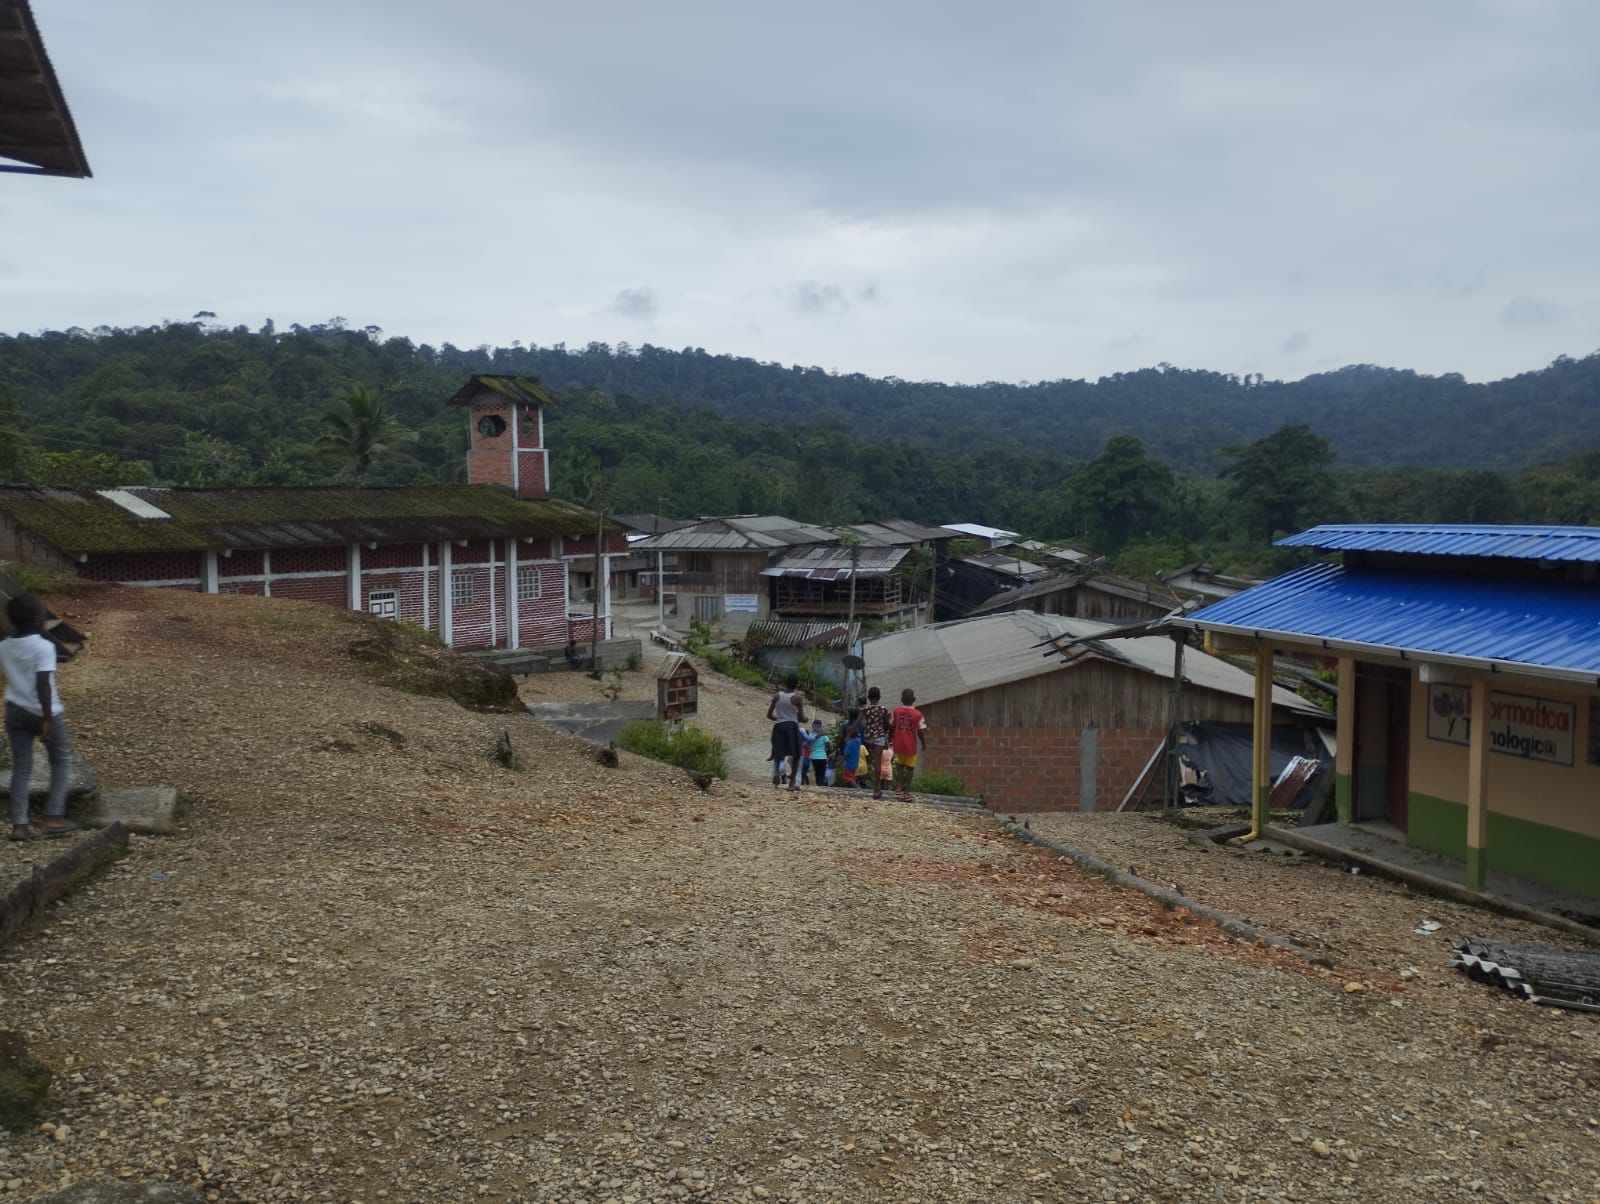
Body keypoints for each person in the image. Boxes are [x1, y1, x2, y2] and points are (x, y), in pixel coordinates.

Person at [3, 595, 78, 842]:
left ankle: (19, 825)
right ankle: (53, 817)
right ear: (38, 618)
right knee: (60, 760)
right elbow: (43, 683)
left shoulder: (4, 645)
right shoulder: (43, 647)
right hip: (44, 711)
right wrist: (47, 718)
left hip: (14, 709)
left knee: (21, 767)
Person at [765, 673, 807, 791]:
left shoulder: (777, 696)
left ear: (785, 683)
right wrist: (805, 719)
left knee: (779, 752)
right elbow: (801, 718)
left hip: (778, 727)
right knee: (797, 754)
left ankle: (776, 773)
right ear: (796, 684)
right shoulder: (797, 698)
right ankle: (792, 782)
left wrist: (779, 719)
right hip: (791, 726)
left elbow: (769, 715)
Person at [890, 687, 928, 802]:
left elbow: (892, 726)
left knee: (900, 766)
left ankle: (899, 788)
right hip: (910, 746)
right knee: (910, 768)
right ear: (914, 699)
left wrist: (889, 739)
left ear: (901, 699)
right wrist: (923, 743)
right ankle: (906, 792)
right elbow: (920, 731)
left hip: (898, 744)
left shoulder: (896, 711)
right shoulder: (918, 714)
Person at [859, 686, 892, 800]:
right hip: (879, 738)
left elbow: (858, 722)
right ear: (879, 697)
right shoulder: (883, 709)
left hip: (868, 738)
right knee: (878, 764)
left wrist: (848, 734)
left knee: (874, 763)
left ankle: (874, 787)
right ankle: (876, 791)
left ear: (869, 697)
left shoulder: (865, 709)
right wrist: (887, 732)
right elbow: (887, 725)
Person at [840, 718, 862, 790]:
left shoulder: (849, 743)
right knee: (852, 776)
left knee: (848, 777)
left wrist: (841, 761)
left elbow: (846, 753)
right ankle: (855, 787)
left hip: (849, 762)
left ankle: (858, 788)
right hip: (855, 762)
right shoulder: (858, 741)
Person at [808, 719, 831, 787]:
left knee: (817, 772)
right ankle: (821, 785)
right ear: (820, 726)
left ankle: (818, 785)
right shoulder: (824, 736)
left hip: (813, 757)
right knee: (822, 773)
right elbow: (829, 745)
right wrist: (827, 750)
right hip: (822, 757)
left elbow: (809, 743)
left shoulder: (811, 735)